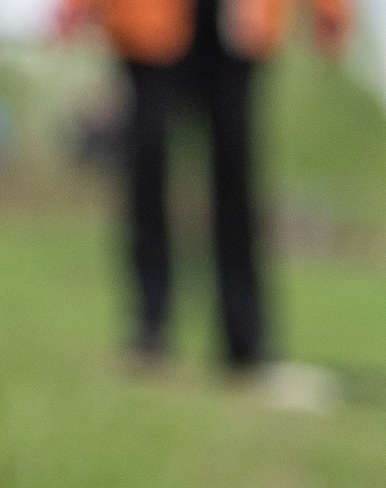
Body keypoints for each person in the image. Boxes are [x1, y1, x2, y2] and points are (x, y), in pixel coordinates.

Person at [54, 0, 351, 375]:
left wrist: (333, 7)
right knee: (146, 167)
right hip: (149, 18)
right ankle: (150, 328)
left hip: (235, 22)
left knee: (236, 176)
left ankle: (244, 339)